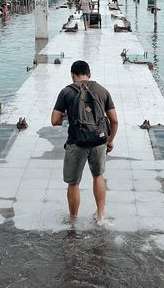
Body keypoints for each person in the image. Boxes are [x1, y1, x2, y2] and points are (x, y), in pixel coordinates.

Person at [51, 60, 119, 222]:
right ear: (89, 74)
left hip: (76, 142)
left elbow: (54, 120)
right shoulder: (102, 91)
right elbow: (114, 121)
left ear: (72, 75)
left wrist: (70, 117)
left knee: (73, 183)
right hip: (99, 141)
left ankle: (73, 219)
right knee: (98, 176)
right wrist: (110, 141)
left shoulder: (66, 92)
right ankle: (100, 215)